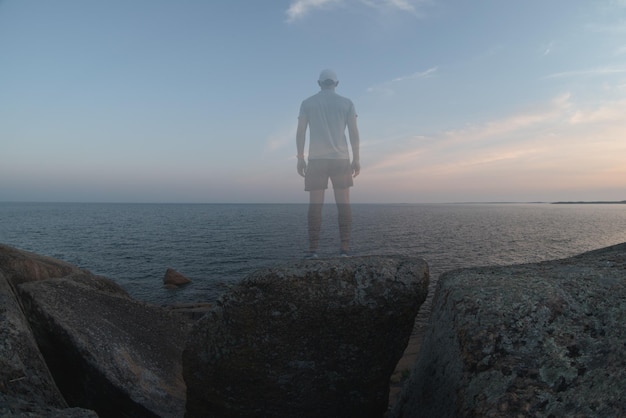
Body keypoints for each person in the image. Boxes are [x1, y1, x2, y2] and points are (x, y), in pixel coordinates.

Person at [296, 69, 360, 258]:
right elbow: (354, 133)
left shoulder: (307, 103)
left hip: (316, 160)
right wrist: (356, 158)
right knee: (344, 204)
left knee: (315, 205)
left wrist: (300, 158)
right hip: (341, 159)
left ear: (319, 83)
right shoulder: (347, 103)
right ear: (336, 83)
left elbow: (301, 133)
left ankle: (313, 250)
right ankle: (344, 250)